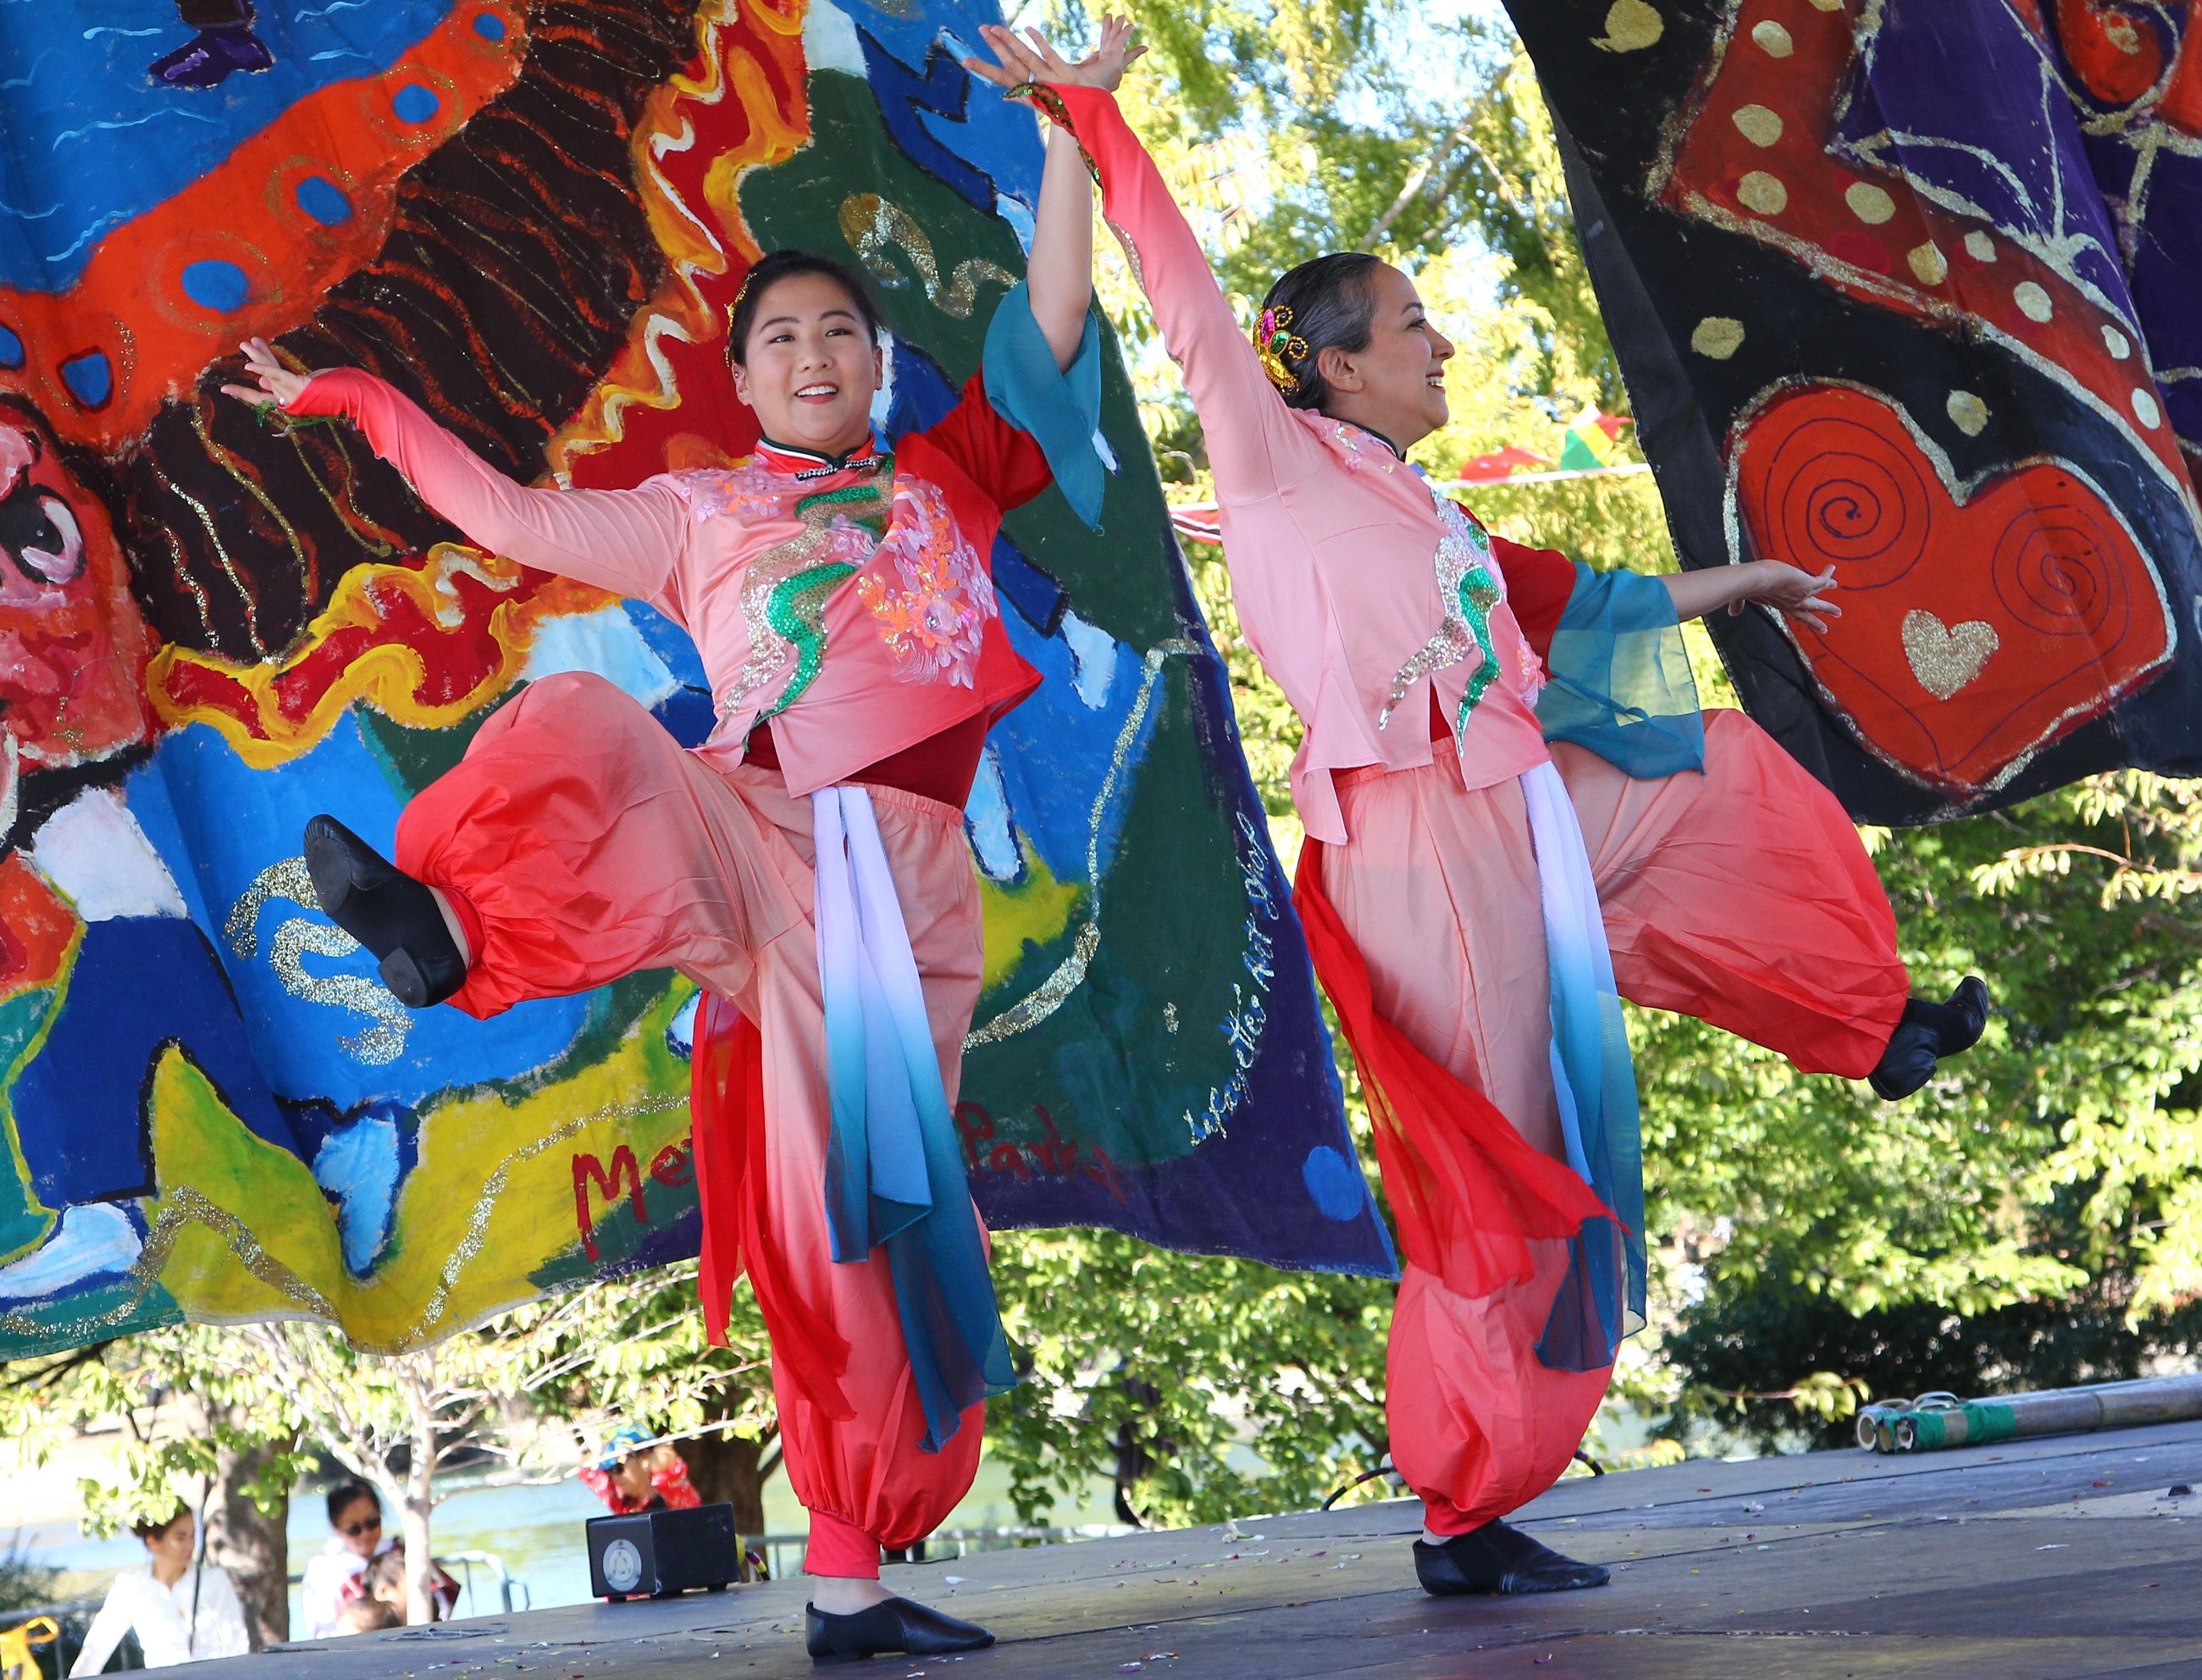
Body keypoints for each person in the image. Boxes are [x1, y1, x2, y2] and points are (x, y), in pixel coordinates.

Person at [980, 39, 1990, 1602]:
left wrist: (1756, 582)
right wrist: (1093, 112)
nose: (1441, 340)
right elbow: (1177, 291)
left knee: (1712, 770)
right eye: (1409, 324)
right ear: (1331, 363)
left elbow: (1589, 603)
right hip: (1424, 837)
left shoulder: (1424, 504)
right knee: (1504, 1166)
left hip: (1523, 796)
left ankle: (1871, 1023)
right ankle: (1462, 1505)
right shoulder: (1275, 461)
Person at [221, 20, 1140, 1662]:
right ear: (742, 377)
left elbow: (1054, 325)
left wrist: (1076, 125)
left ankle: (852, 1586)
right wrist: (351, 396)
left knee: (867, 1223)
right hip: (759, 832)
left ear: (872, 365)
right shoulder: (699, 510)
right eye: (778, 336)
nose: (809, 355)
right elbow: (504, 519)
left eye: (836, 334)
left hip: (914, 892)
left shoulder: (951, 474)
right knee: (586, 728)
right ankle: (448, 925)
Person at [67, 1506, 249, 1673]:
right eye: (180, 1537)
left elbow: (238, 1644)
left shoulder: (214, 1581)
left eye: (193, 1535)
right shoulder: (131, 1588)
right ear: (153, 1541)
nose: (190, 1545)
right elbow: (96, 1648)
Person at [300, 1481, 457, 1638]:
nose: (365, 1534)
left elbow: (443, 1595)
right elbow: (321, 1628)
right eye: (354, 1529)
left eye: (372, 1523)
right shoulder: (323, 1568)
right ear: (336, 1527)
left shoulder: (400, 1552)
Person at [579, 1425, 702, 1516]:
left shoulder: (671, 1492)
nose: (614, 1478)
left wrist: (651, 1456)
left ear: (644, 1456)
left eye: (618, 1469)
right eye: (608, 1472)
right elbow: (585, 1469)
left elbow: (664, 1458)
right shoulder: (621, 1502)